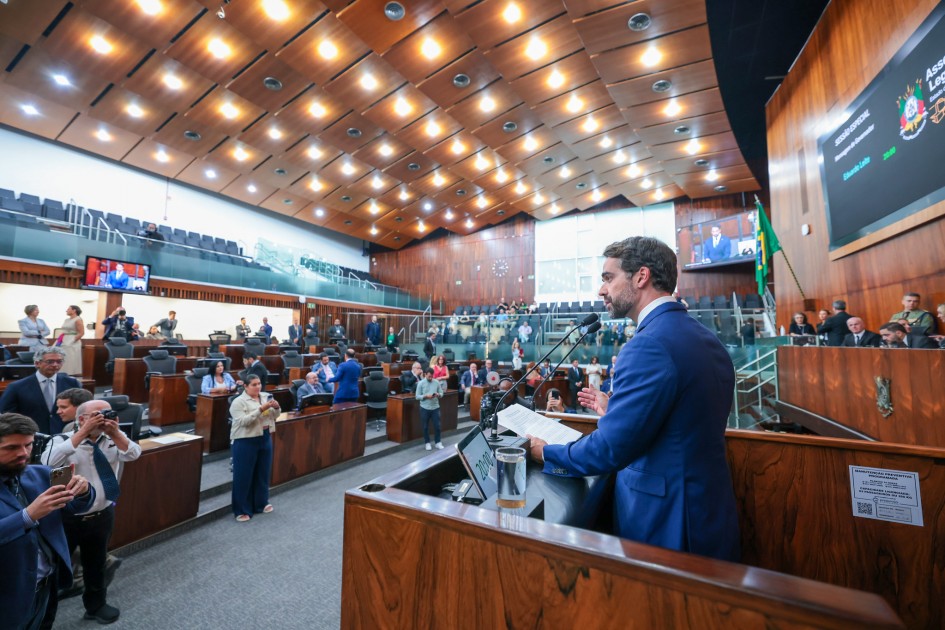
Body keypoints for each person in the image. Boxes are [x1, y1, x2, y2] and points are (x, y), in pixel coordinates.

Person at [528, 236, 740, 561]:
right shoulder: (706, 338)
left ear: (641, 277)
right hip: (708, 515)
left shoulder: (647, 345)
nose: (601, 290)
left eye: (608, 278)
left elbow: (609, 450)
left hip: (668, 525)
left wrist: (545, 452)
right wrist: (616, 410)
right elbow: (681, 422)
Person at [41, 400, 140, 625]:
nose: (103, 418)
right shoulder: (62, 439)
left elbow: (134, 454)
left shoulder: (112, 439)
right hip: (66, 517)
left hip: (101, 514)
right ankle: (44, 614)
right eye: (97, 414)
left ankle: (96, 606)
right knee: (54, 567)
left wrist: (116, 433)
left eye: (107, 413)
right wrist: (83, 432)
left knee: (96, 564)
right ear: (81, 418)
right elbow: (47, 462)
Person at [1, 413, 94, 630]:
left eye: (28, 445)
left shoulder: (43, 473)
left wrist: (84, 490)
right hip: (9, 592)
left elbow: (77, 506)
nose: (23, 453)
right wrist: (28, 515)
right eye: (12, 447)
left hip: (47, 585)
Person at [228, 375, 279, 522]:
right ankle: (241, 509)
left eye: (259, 383)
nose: (258, 387)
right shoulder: (238, 402)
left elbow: (274, 416)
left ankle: (261, 503)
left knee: (263, 472)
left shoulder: (265, 396)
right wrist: (260, 409)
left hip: (265, 437)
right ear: (245, 386)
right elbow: (244, 422)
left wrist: (276, 408)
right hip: (245, 440)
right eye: (254, 384)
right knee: (243, 476)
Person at [0, 347, 81, 434]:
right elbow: (7, 415)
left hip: (65, 435)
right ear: (37, 363)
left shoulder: (72, 384)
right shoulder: (16, 387)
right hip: (31, 435)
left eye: (59, 361)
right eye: (50, 361)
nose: (55, 365)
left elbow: (81, 409)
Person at [415, 367, 444, 450]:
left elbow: (442, 393)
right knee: (425, 426)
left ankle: (438, 442)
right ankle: (427, 443)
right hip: (424, 408)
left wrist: (438, 394)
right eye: (429, 376)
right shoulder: (420, 383)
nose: (431, 378)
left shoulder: (436, 382)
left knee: (437, 426)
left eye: (432, 376)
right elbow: (417, 396)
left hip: (435, 407)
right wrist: (425, 396)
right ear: (425, 375)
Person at [59, 305, 84, 376]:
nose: (66, 310)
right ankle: (61, 372)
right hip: (63, 338)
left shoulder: (78, 319)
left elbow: (81, 333)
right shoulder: (66, 320)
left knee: (70, 358)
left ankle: (71, 373)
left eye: (68, 309)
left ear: (74, 310)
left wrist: (72, 341)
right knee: (62, 356)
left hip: (72, 340)